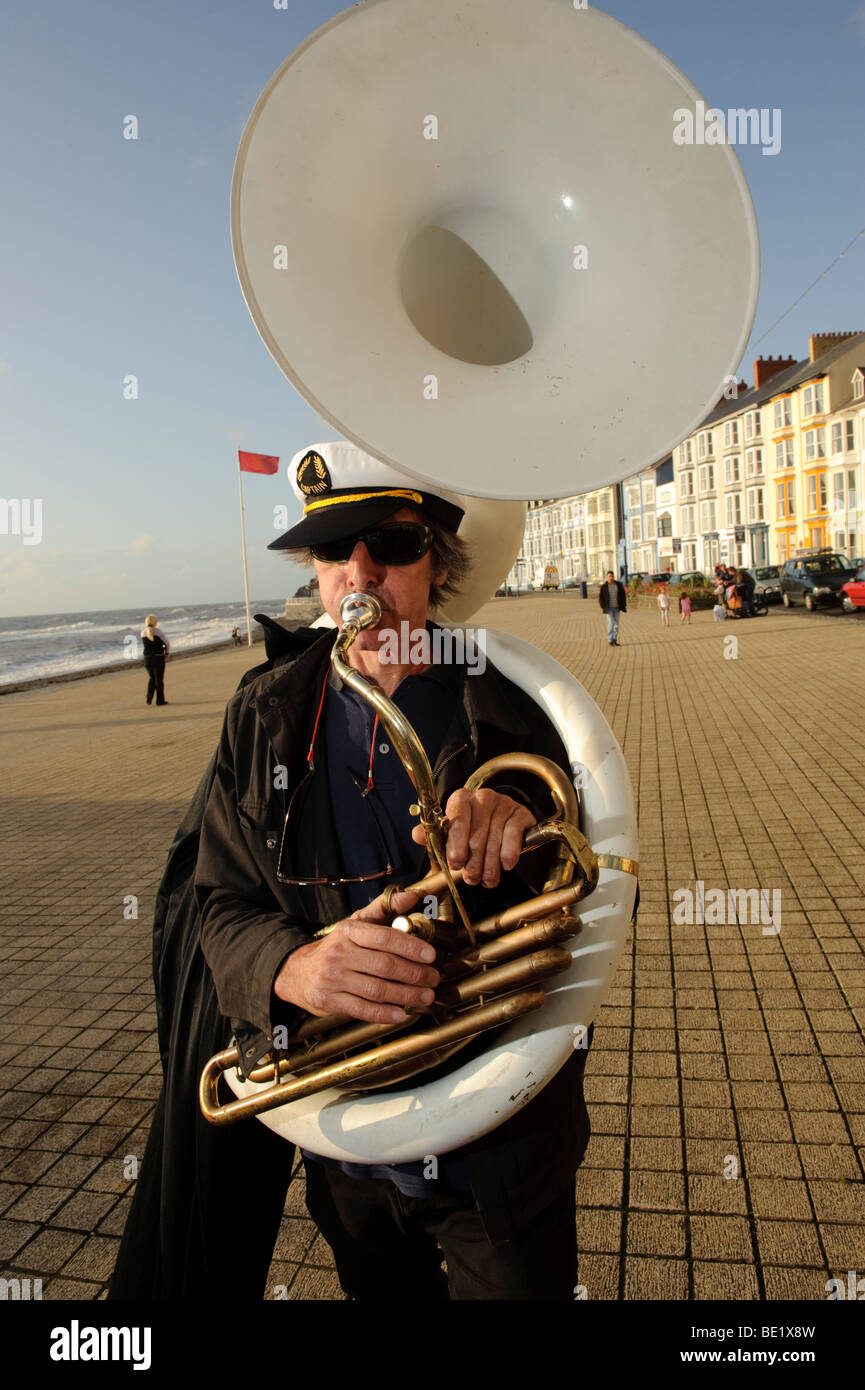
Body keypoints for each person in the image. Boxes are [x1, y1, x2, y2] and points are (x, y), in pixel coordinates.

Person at [187, 442, 599, 1301]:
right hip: (350, 1144)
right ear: (315, 569)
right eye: (335, 550)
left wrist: (521, 821)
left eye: (394, 544)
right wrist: (291, 966)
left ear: (437, 563)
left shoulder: (519, 705)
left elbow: (584, 888)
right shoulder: (262, 715)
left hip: (501, 1145)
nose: (360, 570)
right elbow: (216, 907)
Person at [140, 613, 170, 705]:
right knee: (159, 680)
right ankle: (160, 700)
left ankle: (149, 698)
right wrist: (167, 653)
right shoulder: (158, 632)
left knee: (152, 678)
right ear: (155, 622)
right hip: (158, 657)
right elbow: (167, 643)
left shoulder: (142, 633)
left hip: (147, 658)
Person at [598, 568, 627, 645]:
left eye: (612, 576)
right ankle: (610, 639)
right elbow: (601, 597)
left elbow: (622, 595)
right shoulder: (604, 587)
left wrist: (623, 604)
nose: (611, 577)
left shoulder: (618, 585)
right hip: (609, 608)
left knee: (616, 624)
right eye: (609, 576)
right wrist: (603, 606)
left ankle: (614, 639)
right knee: (611, 623)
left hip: (616, 607)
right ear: (607, 577)